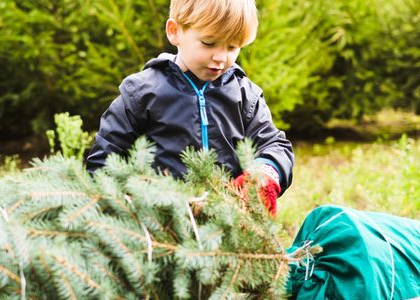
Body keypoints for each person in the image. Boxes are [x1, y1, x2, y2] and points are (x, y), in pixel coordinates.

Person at [86, 0, 294, 216]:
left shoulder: (244, 94)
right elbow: (107, 153)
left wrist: (264, 176)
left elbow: (274, 144)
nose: (221, 57)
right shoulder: (143, 92)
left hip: (229, 220)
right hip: (162, 224)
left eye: (232, 47)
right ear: (175, 32)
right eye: (208, 42)